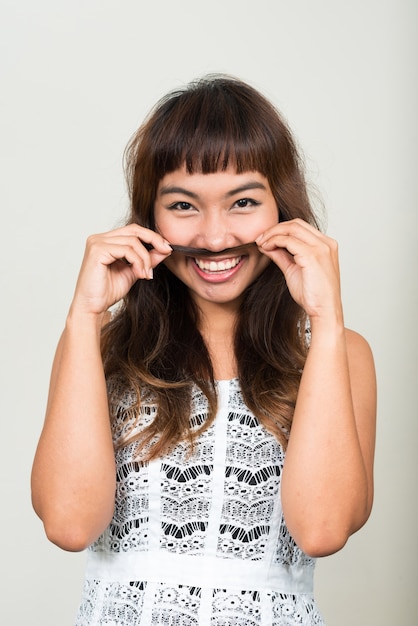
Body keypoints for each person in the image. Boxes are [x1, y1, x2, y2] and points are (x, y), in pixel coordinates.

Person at [31, 74, 376, 626]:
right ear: (150, 217)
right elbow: (70, 525)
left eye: (242, 201)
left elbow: (323, 530)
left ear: (281, 206)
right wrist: (83, 315)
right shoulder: (96, 346)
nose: (215, 238)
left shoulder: (337, 352)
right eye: (184, 205)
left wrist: (327, 319)